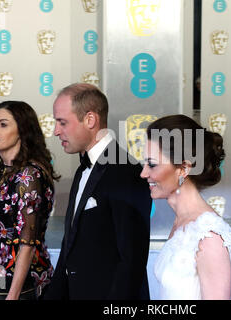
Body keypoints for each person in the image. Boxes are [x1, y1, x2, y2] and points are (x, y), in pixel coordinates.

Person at [43, 83, 152, 300]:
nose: (56, 131)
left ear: (90, 120)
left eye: (62, 122)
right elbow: (70, 247)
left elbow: (131, 261)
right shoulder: (83, 169)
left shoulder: (126, 172)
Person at [0, 101, 59, 300]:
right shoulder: (10, 174)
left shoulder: (29, 175)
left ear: (22, 131)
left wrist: (13, 295)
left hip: (25, 283)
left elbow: (28, 242)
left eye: (3, 124)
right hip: (5, 277)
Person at [140, 114, 231, 300]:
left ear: (184, 168)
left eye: (152, 164)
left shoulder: (208, 235)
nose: (143, 173)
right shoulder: (182, 222)